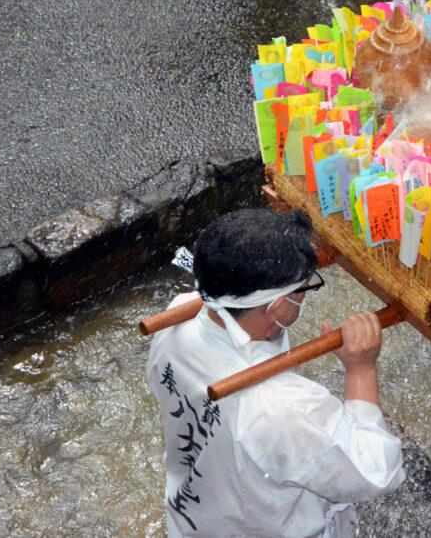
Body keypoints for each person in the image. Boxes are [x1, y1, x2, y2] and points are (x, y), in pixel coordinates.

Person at [146, 209, 405, 537]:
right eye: (303, 289)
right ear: (276, 308)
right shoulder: (282, 407)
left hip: (194, 521)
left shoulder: (177, 317)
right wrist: (361, 369)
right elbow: (378, 472)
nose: (303, 296)